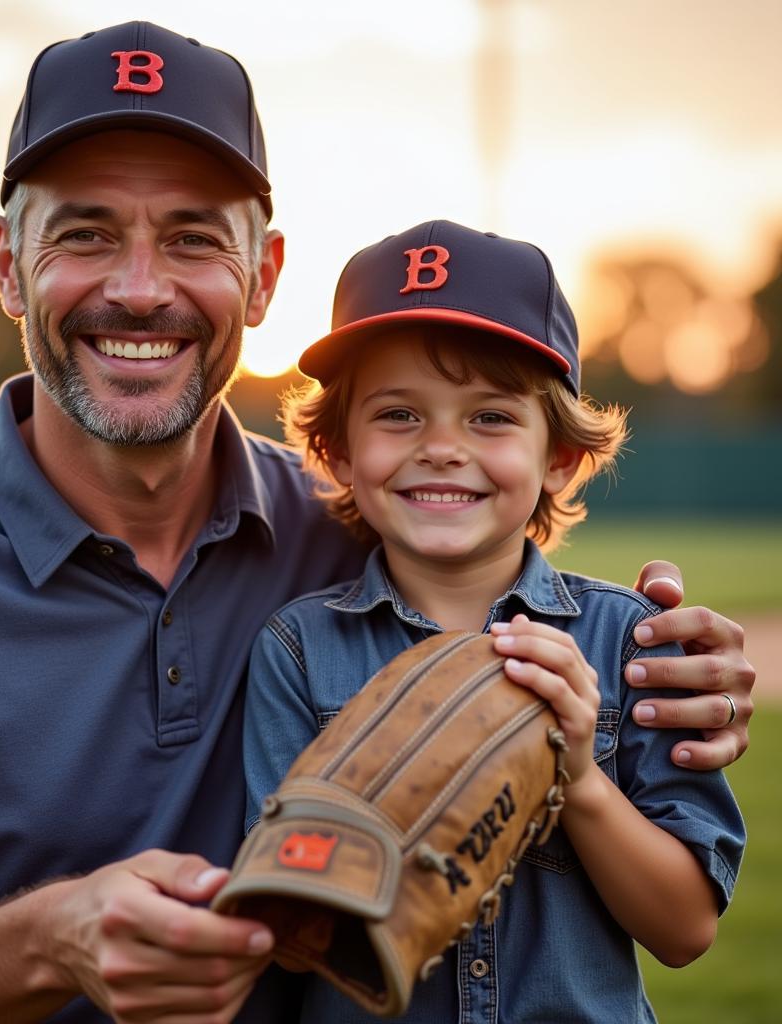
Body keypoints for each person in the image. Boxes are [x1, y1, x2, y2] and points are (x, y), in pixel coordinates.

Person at [0, 22, 753, 1024]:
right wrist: (46, 938)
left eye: (192, 237)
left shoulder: (347, 526)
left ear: (265, 275)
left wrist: (675, 664)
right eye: (85, 232)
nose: (139, 289)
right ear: (10, 266)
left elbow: (506, 564)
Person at [242, 219, 746, 1023]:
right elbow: (282, 919)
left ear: (559, 456)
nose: (443, 447)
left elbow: (684, 929)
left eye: (490, 417)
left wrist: (576, 776)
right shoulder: (300, 650)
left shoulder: (627, 641)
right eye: (399, 414)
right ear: (336, 449)